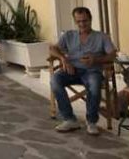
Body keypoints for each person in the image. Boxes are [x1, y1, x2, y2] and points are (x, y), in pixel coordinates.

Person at [49, 7, 117, 136]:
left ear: (90, 20)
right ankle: (70, 119)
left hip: (92, 71)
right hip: (72, 70)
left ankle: (91, 121)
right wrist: (64, 59)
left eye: (85, 21)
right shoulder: (69, 35)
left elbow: (112, 55)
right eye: (78, 21)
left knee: (94, 85)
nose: (82, 24)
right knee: (55, 80)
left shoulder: (101, 37)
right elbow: (53, 48)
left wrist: (95, 59)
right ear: (75, 21)